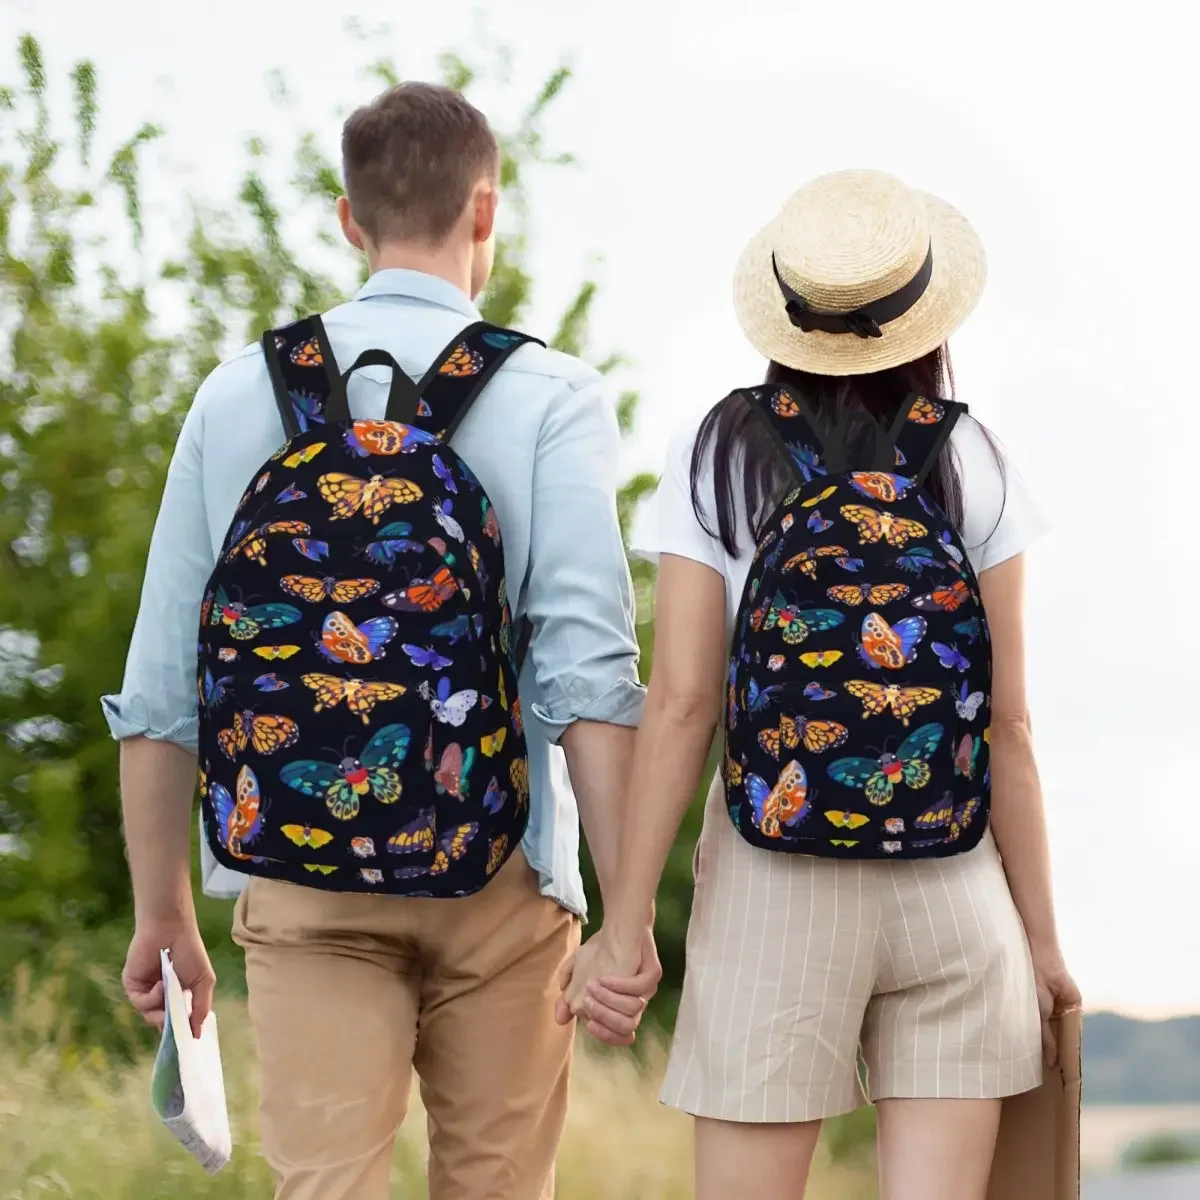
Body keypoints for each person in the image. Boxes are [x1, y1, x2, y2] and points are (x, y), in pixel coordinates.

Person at [105, 81, 660, 1200]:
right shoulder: (550, 393)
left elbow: (165, 683)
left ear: (349, 219)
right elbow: (587, 676)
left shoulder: (236, 395)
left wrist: (162, 910)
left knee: (325, 1186)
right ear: (486, 212)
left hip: (297, 870)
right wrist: (626, 914)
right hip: (502, 871)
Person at [561, 169, 1081, 1200]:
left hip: (774, 883)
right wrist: (1044, 944)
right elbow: (1010, 726)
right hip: (955, 885)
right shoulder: (974, 456)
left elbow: (681, 704)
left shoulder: (720, 451)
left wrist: (623, 926)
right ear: (925, 316)